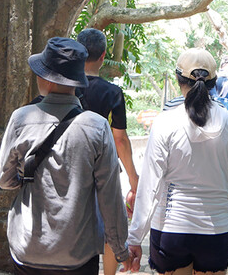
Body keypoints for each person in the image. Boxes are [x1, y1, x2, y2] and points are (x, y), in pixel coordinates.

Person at [0, 37, 129, 275]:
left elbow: (5, 181)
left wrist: (24, 172)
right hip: (77, 253)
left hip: (28, 249)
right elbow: (109, 196)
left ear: (45, 78)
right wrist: (121, 250)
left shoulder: (21, 119)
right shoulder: (97, 127)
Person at [125, 48, 228, 274]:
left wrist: (135, 237)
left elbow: (150, 186)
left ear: (178, 80)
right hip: (215, 233)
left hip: (170, 232)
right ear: (214, 81)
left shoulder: (165, 122)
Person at [75, 28, 140, 275]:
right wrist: (134, 181)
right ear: (103, 56)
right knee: (111, 222)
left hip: (71, 163)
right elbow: (120, 139)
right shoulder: (112, 92)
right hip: (104, 166)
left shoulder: (66, 88)